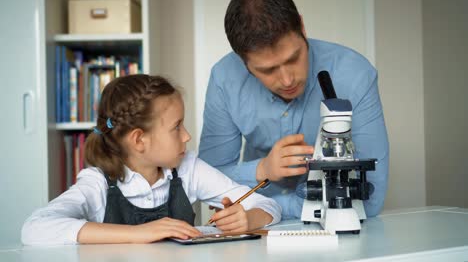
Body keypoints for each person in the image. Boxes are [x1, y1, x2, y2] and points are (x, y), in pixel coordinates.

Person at [22, 75, 281, 246]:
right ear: (139, 140)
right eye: (177, 127)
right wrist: (138, 234)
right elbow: (34, 228)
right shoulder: (98, 182)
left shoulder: (188, 168)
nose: (187, 136)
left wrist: (249, 219)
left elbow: (266, 204)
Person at [199, 0, 389, 220]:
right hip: (257, 231)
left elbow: (371, 198)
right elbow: (205, 181)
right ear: (243, 62)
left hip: (273, 219)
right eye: (267, 70)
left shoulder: (355, 74)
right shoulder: (224, 79)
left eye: (294, 58)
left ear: (302, 27)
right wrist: (261, 170)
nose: (287, 80)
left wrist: (265, 210)